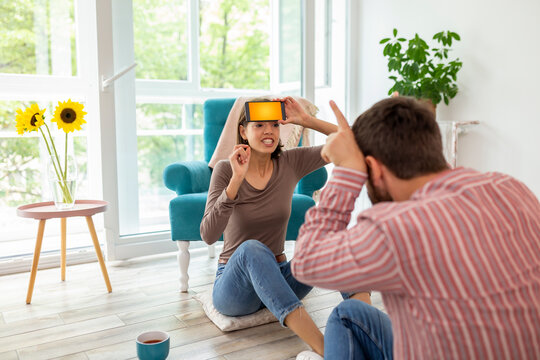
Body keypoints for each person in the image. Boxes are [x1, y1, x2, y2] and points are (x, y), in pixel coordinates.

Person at [291, 96, 540, 359]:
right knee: (349, 313)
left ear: (373, 169)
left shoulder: (397, 226)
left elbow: (306, 262)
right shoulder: (510, 188)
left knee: (343, 317)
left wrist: (346, 172)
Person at [200, 96, 342, 356]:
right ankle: (326, 350)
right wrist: (236, 181)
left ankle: (364, 324)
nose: (269, 131)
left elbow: (355, 142)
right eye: (259, 125)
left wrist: (307, 121)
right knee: (253, 248)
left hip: (280, 277)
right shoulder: (225, 170)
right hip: (235, 289)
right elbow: (208, 235)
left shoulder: (290, 162)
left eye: (275, 125)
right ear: (243, 131)